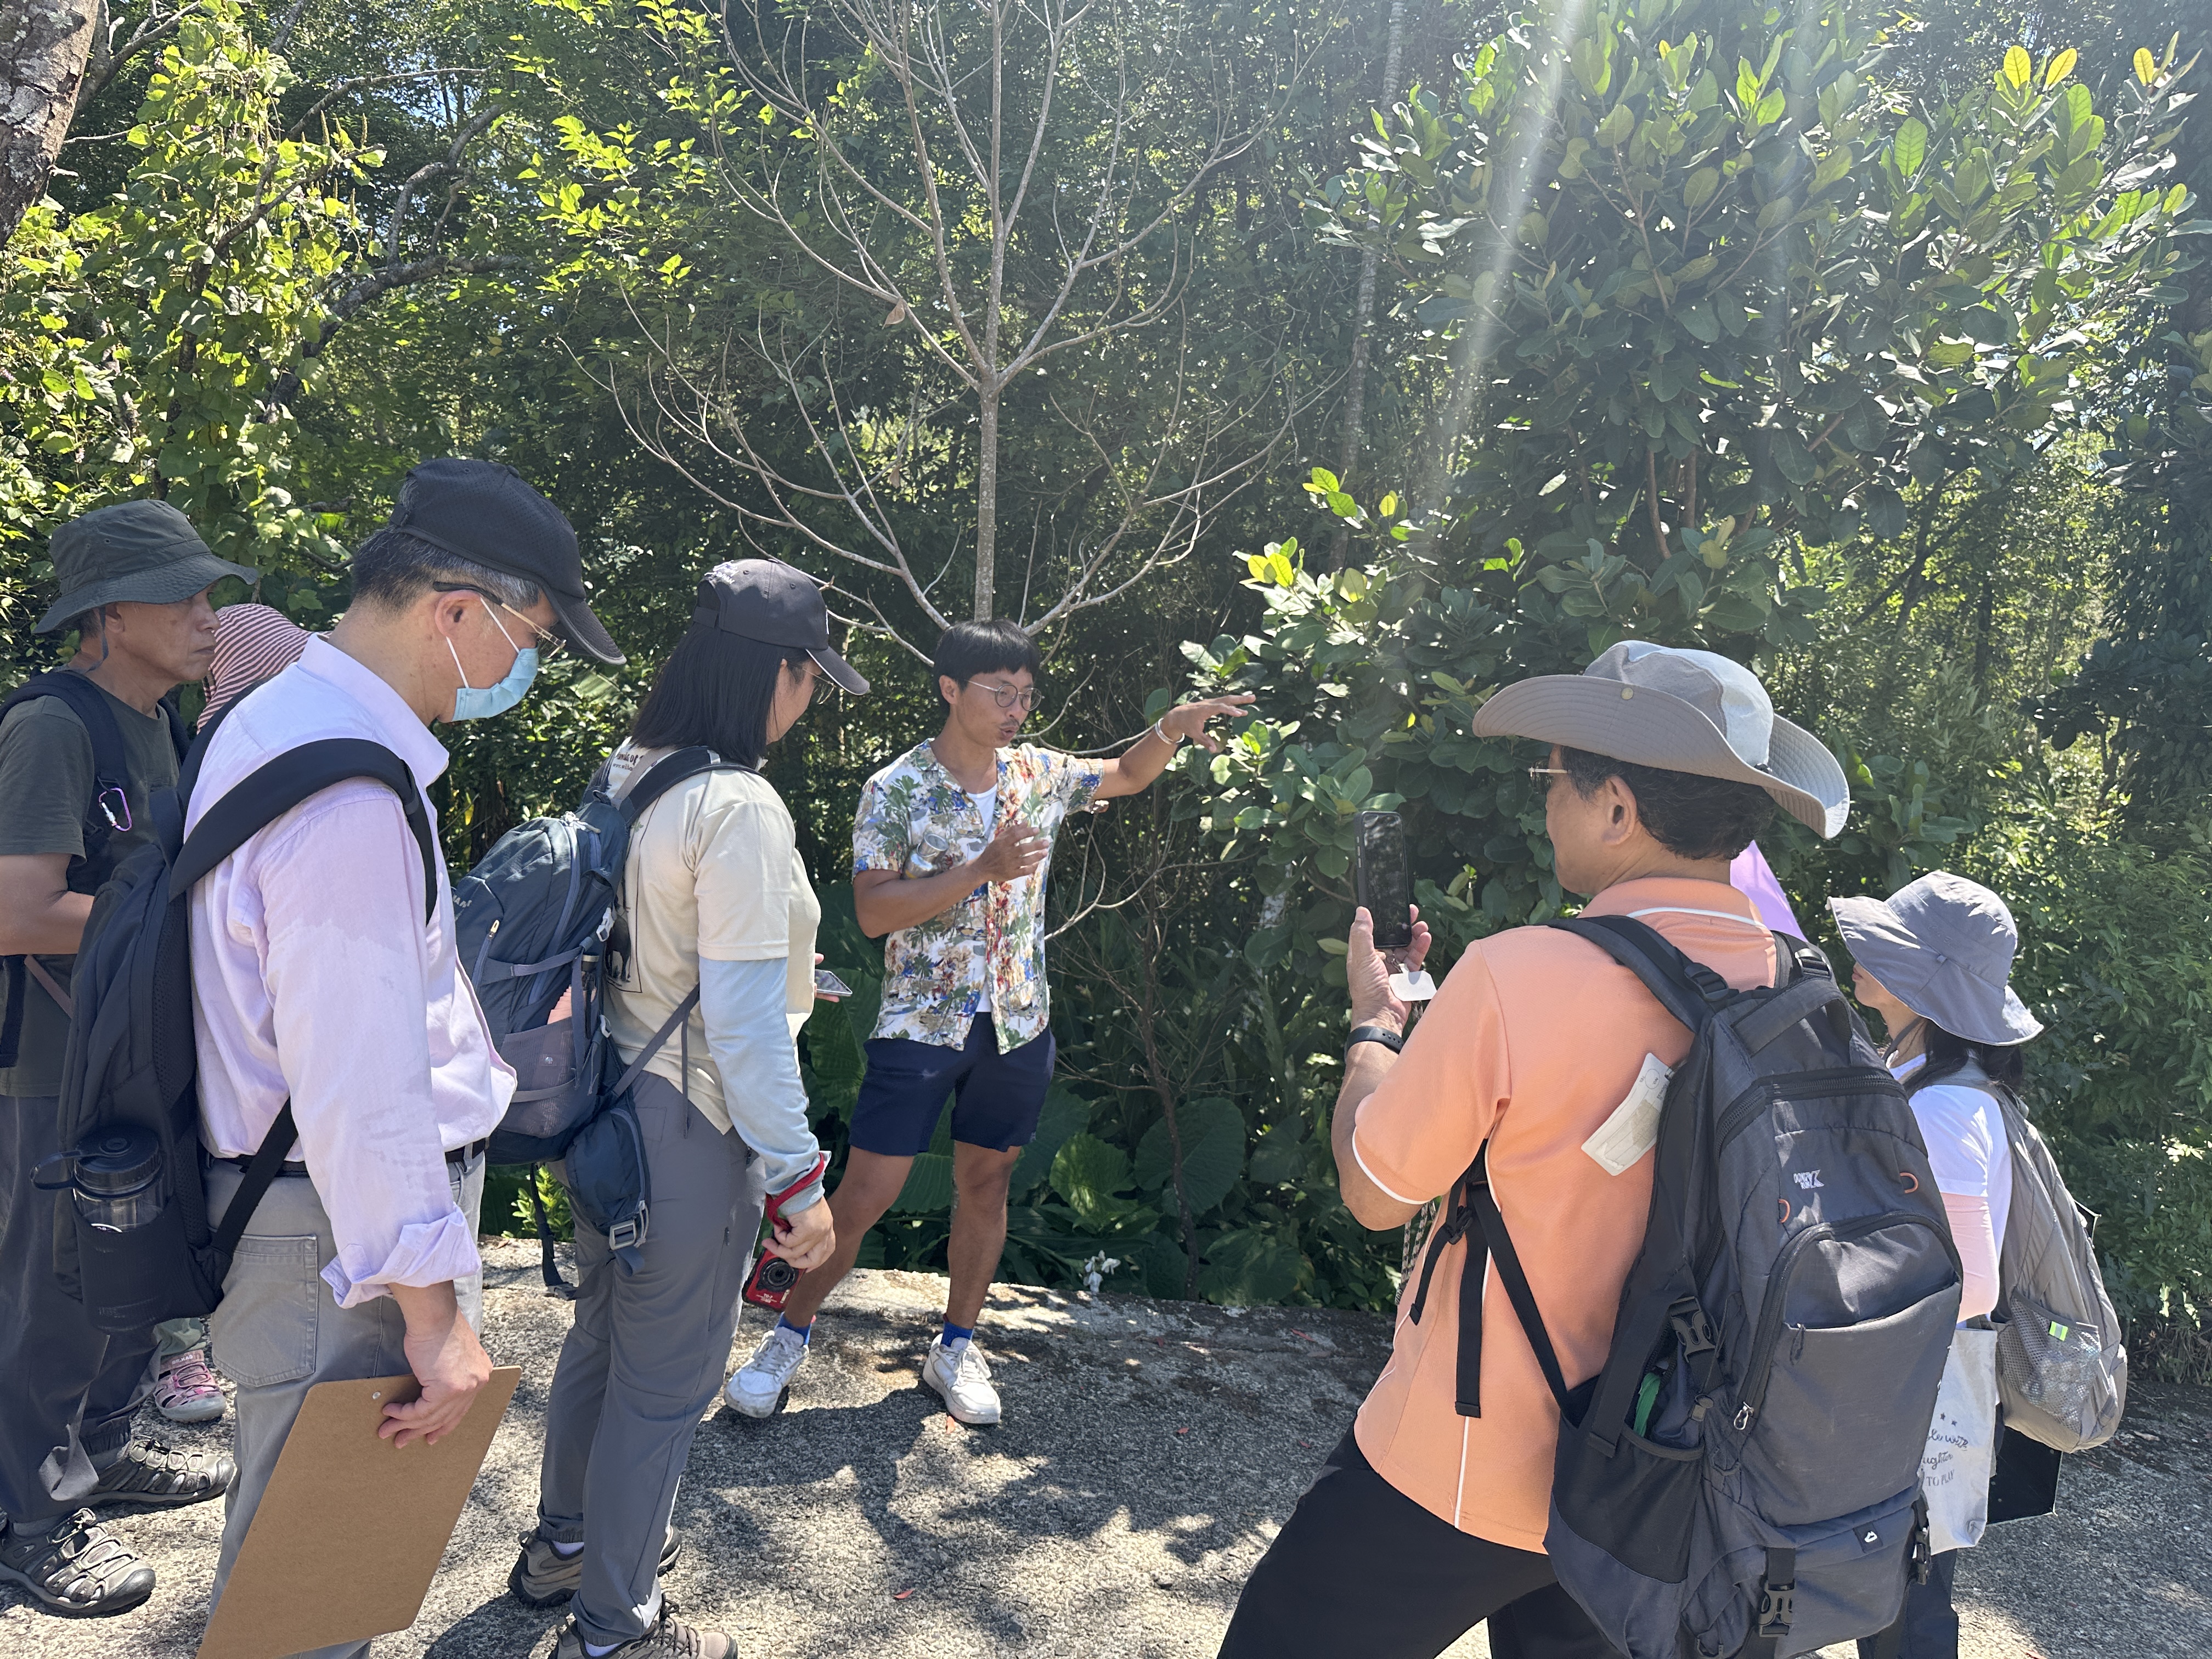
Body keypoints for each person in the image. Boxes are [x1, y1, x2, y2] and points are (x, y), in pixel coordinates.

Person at [1216, 641, 1851, 1658]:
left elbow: (1376, 1190)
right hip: (1665, 1478)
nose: (1544, 799)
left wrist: (1376, 1031)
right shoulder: (1802, 988)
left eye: (1554, 776)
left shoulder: (1520, 977)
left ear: (1618, 808)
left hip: (1474, 1460)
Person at [189, 459, 624, 1659]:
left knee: (293, 1577)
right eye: (533, 638)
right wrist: (433, 1318)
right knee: (313, 1600)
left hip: (307, 1215)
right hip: (343, 1239)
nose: (525, 669)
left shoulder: (275, 722)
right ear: (457, 612)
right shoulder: (346, 795)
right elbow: (361, 1082)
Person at [725, 620, 1255, 1425]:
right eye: (1000, 693)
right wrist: (982, 869)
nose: (1016, 710)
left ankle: (955, 1346)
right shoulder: (896, 788)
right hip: (920, 1023)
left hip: (1017, 1022)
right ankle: (787, 1337)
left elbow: (1126, 775)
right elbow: (874, 912)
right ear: (950, 689)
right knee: (864, 1196)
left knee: (987, 1183)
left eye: (1027, 696)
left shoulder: (1038, 773)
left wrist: (1173, 729)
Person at [516, 561, 862, 1659]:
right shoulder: (739, 807)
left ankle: (566, 1545)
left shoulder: (633, 770)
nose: (810, 700)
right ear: (778, 673)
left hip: (600, 1104)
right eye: (811, 677)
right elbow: (746, 1030)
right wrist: (799, 1182)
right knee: (664, 1388)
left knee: (601, 1343)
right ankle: (616, 1628)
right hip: (689, 1125)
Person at [0, 500, 252, 1616]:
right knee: (52, 1292)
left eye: (209, 594)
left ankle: (101, 1451)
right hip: (50, 1062)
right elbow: (18, 910)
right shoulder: (54, 725)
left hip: (135, 1052)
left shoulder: (167, 725)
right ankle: (30, 1519)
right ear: (109, 614)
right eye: (183, 597)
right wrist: (184, 924)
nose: (208, 616)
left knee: (133, 1268)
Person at [1833, 871, 2041, 1659]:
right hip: (1914, 1386)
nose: (1862, 954)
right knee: (1893, 1594)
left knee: (1906, 1606)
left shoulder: (1945, 1106)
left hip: (1918, 1392)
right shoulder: (1923, 1076)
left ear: (1929, 983)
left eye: (1888, 948)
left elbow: (1973, 1283)